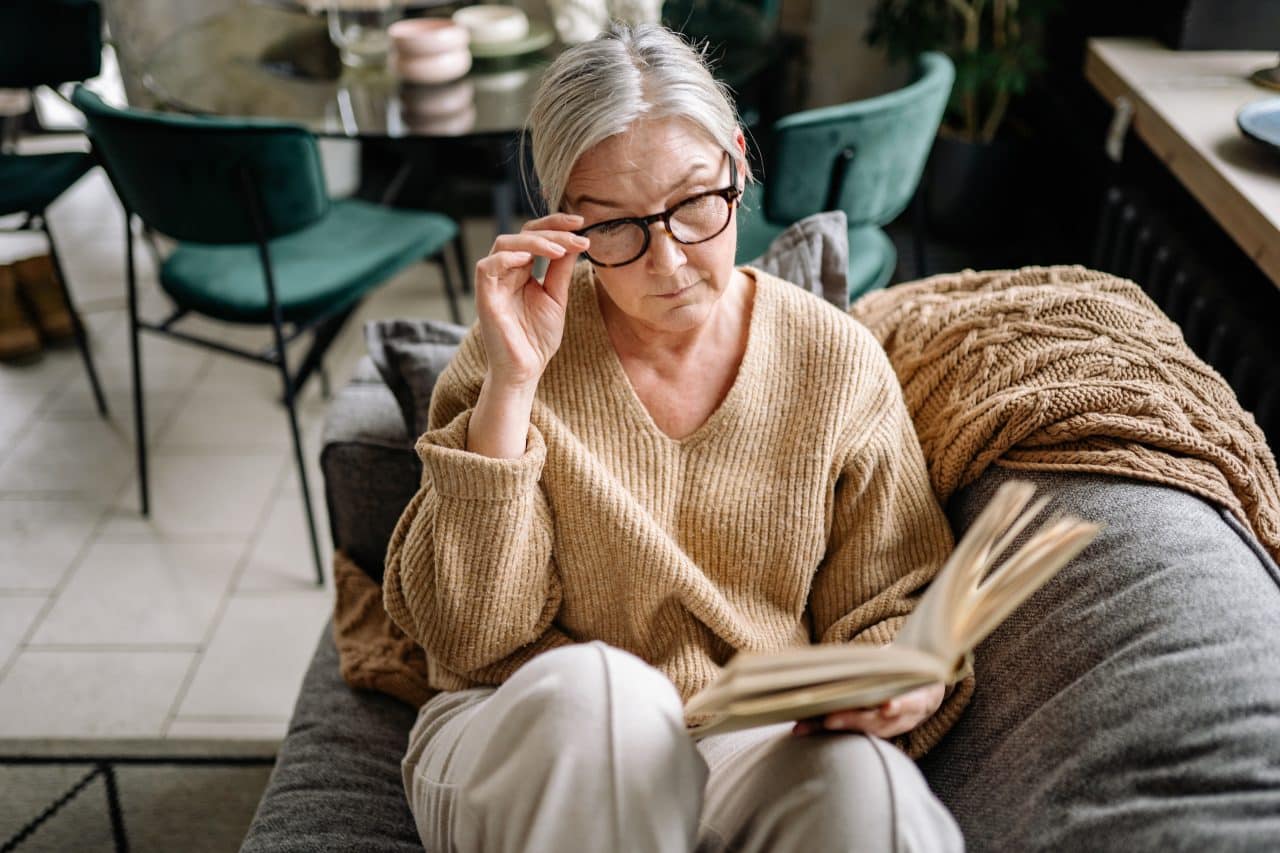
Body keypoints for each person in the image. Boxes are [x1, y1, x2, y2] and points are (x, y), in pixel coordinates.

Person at [384, 23, 971, 852]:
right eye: (615, 227)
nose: (668, 261)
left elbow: (893, 602)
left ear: (737, 162)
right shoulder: (508, 353)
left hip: (740, 738)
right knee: (608, 696)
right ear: (562, 225)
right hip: (523, 725)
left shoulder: (833, 361)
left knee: (865, 788)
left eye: (695, 203)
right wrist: (515, 382)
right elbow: (469, 635)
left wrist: (894, 682)